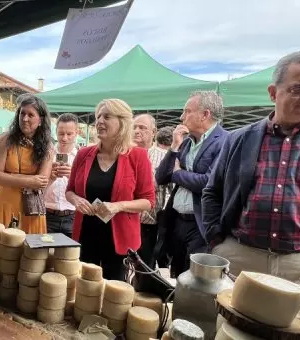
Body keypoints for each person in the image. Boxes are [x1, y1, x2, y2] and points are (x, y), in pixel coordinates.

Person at [203, 51, 300, 296]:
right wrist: (217, 242)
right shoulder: (239, 139)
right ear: (273, 93)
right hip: (241, 257)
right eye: (299, 89)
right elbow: (212, 192)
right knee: (230, 331)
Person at [66, 99, 155, 280]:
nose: (99, 121)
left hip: (118, 241)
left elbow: (148, 201)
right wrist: (77, 200)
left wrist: (118, 206)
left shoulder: (138, 156)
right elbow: (70, 191)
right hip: (86, 235)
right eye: (98, 116)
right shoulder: (83, 154)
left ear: (122, 122)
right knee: (84, 288)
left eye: (106, 117)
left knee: (113, 295)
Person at [155, 91, 228, 278]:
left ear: (205, 114)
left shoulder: (225, 142)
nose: (181, 117)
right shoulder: (186, 143)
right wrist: (173, 148)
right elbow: (162, 177)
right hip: (177, 221)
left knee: (195, 280)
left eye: (187, 111)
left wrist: (178, 173)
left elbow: (208, 183)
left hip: (201, 224)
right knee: (176, 276)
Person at [0, 94, 53, 234]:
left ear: (41, 120)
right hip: (4, 206)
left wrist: (8, 177)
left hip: (31, 209)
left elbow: (41, 182)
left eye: (31, 115)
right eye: (22, 113)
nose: (24, 119)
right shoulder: (6, 140)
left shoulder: (48, 147)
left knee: (30, 254)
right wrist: (29, 180)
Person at [133, 114, 169, 268]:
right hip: (124, 220)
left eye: (142, 128)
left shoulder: (163, 157)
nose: (137, 131)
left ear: (154, 132)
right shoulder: (123, 154)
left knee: (144, 269)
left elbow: (170, 191)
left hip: (148, 224)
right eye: (134, 127)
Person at [45, 113, 79, 238]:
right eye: (61, 134)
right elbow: (37, 190)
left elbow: (86, 192)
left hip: (72, 217)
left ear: (77, 132)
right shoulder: (47, 155)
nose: (64, 138)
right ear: (56, 132)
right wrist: (50, 178)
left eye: (69, 134)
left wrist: (72, 178)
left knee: (69, 256)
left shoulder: (82, 157)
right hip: (47, 216)